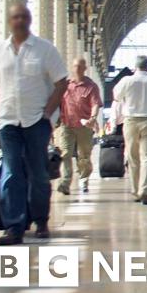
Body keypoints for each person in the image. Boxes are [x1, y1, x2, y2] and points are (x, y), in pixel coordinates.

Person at [0, 4, 68, 245]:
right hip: (8, 121)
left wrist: (48, 112)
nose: (19, 20)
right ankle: (14, 227)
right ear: (9, 21)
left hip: (36, 121)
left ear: (29, 20)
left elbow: (61, 83)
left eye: (23, 17)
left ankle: (41, 220)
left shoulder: (45, 49)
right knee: (11, 173)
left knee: (38, 173)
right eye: (15, 17)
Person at [113, 56, 147, 204]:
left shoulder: (126, 80)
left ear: (134, 67)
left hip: (131, 122)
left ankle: (136, 192)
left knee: (133, 158)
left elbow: (117, 96)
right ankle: (144, 190)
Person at [56, 58, 102, 195]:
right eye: (75, 66)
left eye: (80, 67)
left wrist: (93, 118)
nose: (77, 69)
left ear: (85, 68)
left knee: (84, 156)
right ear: (72, 67)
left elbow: (95, 104)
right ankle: (65, 182)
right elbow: (58, 102)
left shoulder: (91, 86)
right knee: (65, 153)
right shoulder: (66, 85)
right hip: (66, 125)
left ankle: (83, 179)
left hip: (84, 127)